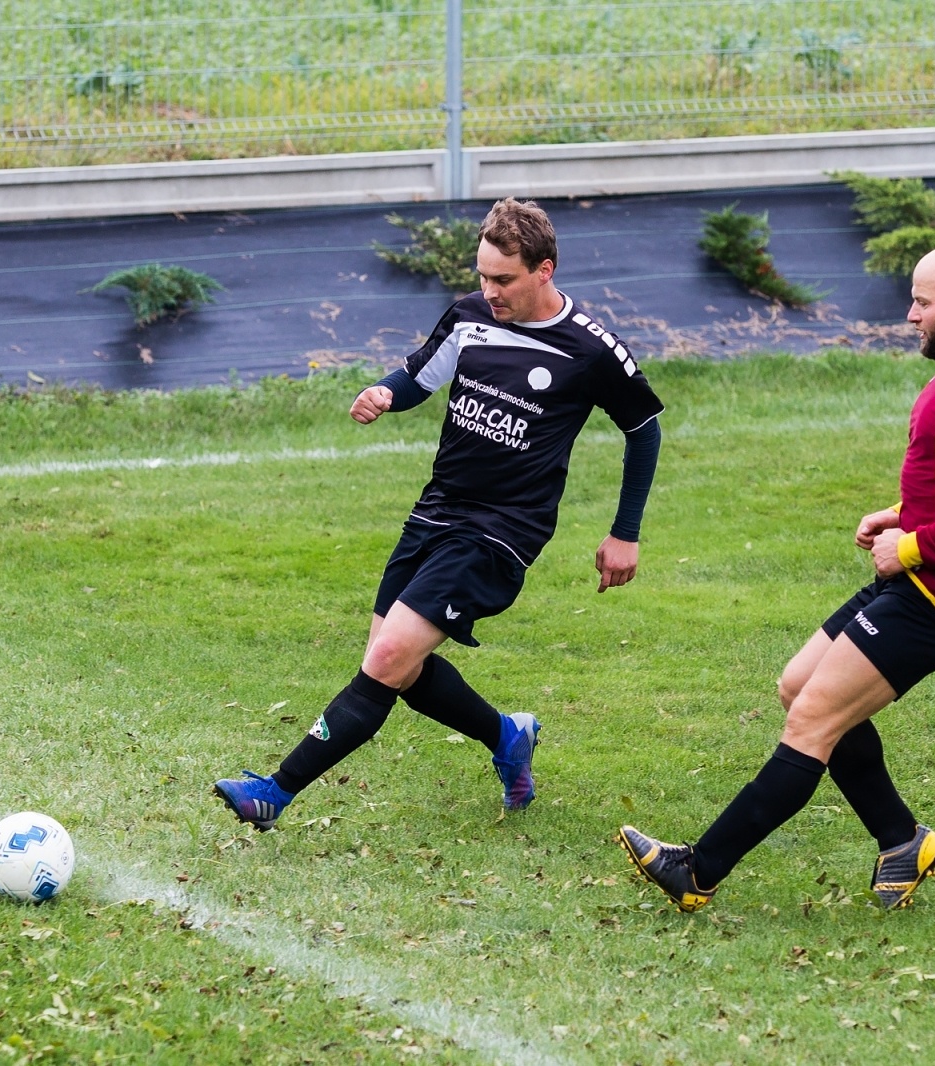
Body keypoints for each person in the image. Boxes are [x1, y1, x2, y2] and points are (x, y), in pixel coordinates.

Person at [215, 198, 666, 830]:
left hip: (502, 531)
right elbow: (417, 378)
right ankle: (507, 736)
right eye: (482, 276)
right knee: (396, 665)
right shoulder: (469, 317)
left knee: (388, 657)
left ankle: (274, 792)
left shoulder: (590, 350)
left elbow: (643, 430)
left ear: (545, 269)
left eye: (503, 279)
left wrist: (626, 533)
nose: (489, 291)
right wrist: (382, 395)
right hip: (436, 513)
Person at [620, 243, 935, 911]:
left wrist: (910, 548)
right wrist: (902, 514)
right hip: (927, 576)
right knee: (798, 686)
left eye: (922, 302)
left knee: (813, 719)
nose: (910, 315)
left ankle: (697, 871)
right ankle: (902, 841)